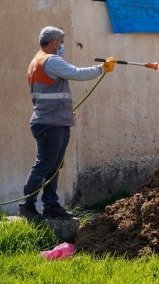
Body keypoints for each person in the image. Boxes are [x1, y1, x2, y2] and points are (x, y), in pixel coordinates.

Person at [19, 26, 117, 222]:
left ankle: (51, 205)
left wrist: (62, 110)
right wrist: (101, 68)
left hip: (52, 121)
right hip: (51, 124)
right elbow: (77, 73)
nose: (62, 46)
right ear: (53, 41)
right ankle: (27, 207)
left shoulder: (35, 62)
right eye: (61, 42)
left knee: (54, 165)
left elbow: (42, 96)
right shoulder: (51, 60)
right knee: (44, 165)